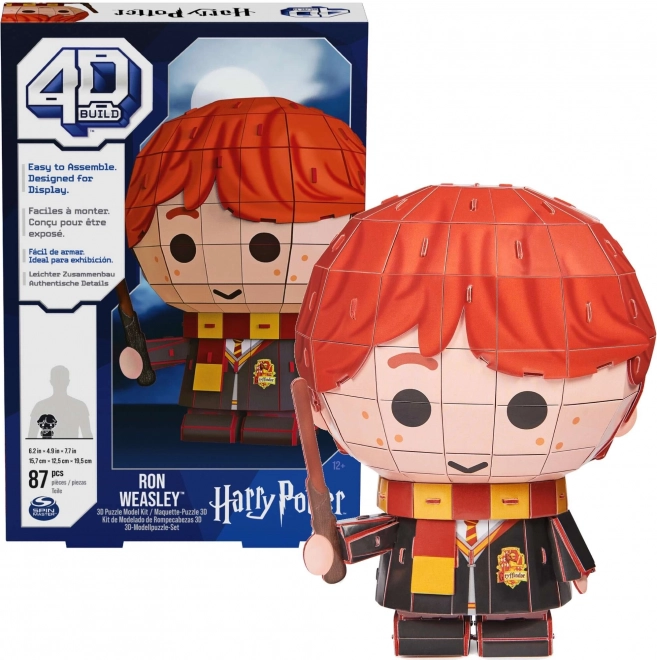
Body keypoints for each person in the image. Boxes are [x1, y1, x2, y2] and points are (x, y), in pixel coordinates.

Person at [296, 184, 654, 656]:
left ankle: (518, 635)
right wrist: (337, 544)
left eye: (530, 408)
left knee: (521, 634)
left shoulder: (533, 505)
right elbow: (385, 531)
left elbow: (557, 530)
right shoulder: (416, 503)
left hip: (520, 590)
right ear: (319, 405)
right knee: (425, 635)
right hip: (423, 589)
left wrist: (577, 567)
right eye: (408, 405)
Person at [119, 97, 365, 444]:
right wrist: (147, 358)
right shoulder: (204, 327)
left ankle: (275, 420)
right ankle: (213, 419)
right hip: (207, 393)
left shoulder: (301, 332)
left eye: (266, 246)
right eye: (182, 248)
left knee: (274, 414)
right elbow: (183, 348)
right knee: (206, 418)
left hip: (278, 394)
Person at [28, 366, 93, 439]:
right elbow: (31, 436)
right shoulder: (40, 406)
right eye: (58, 380)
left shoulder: (80, 406)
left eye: (61, 380)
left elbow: (87, 436)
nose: (60, 383)